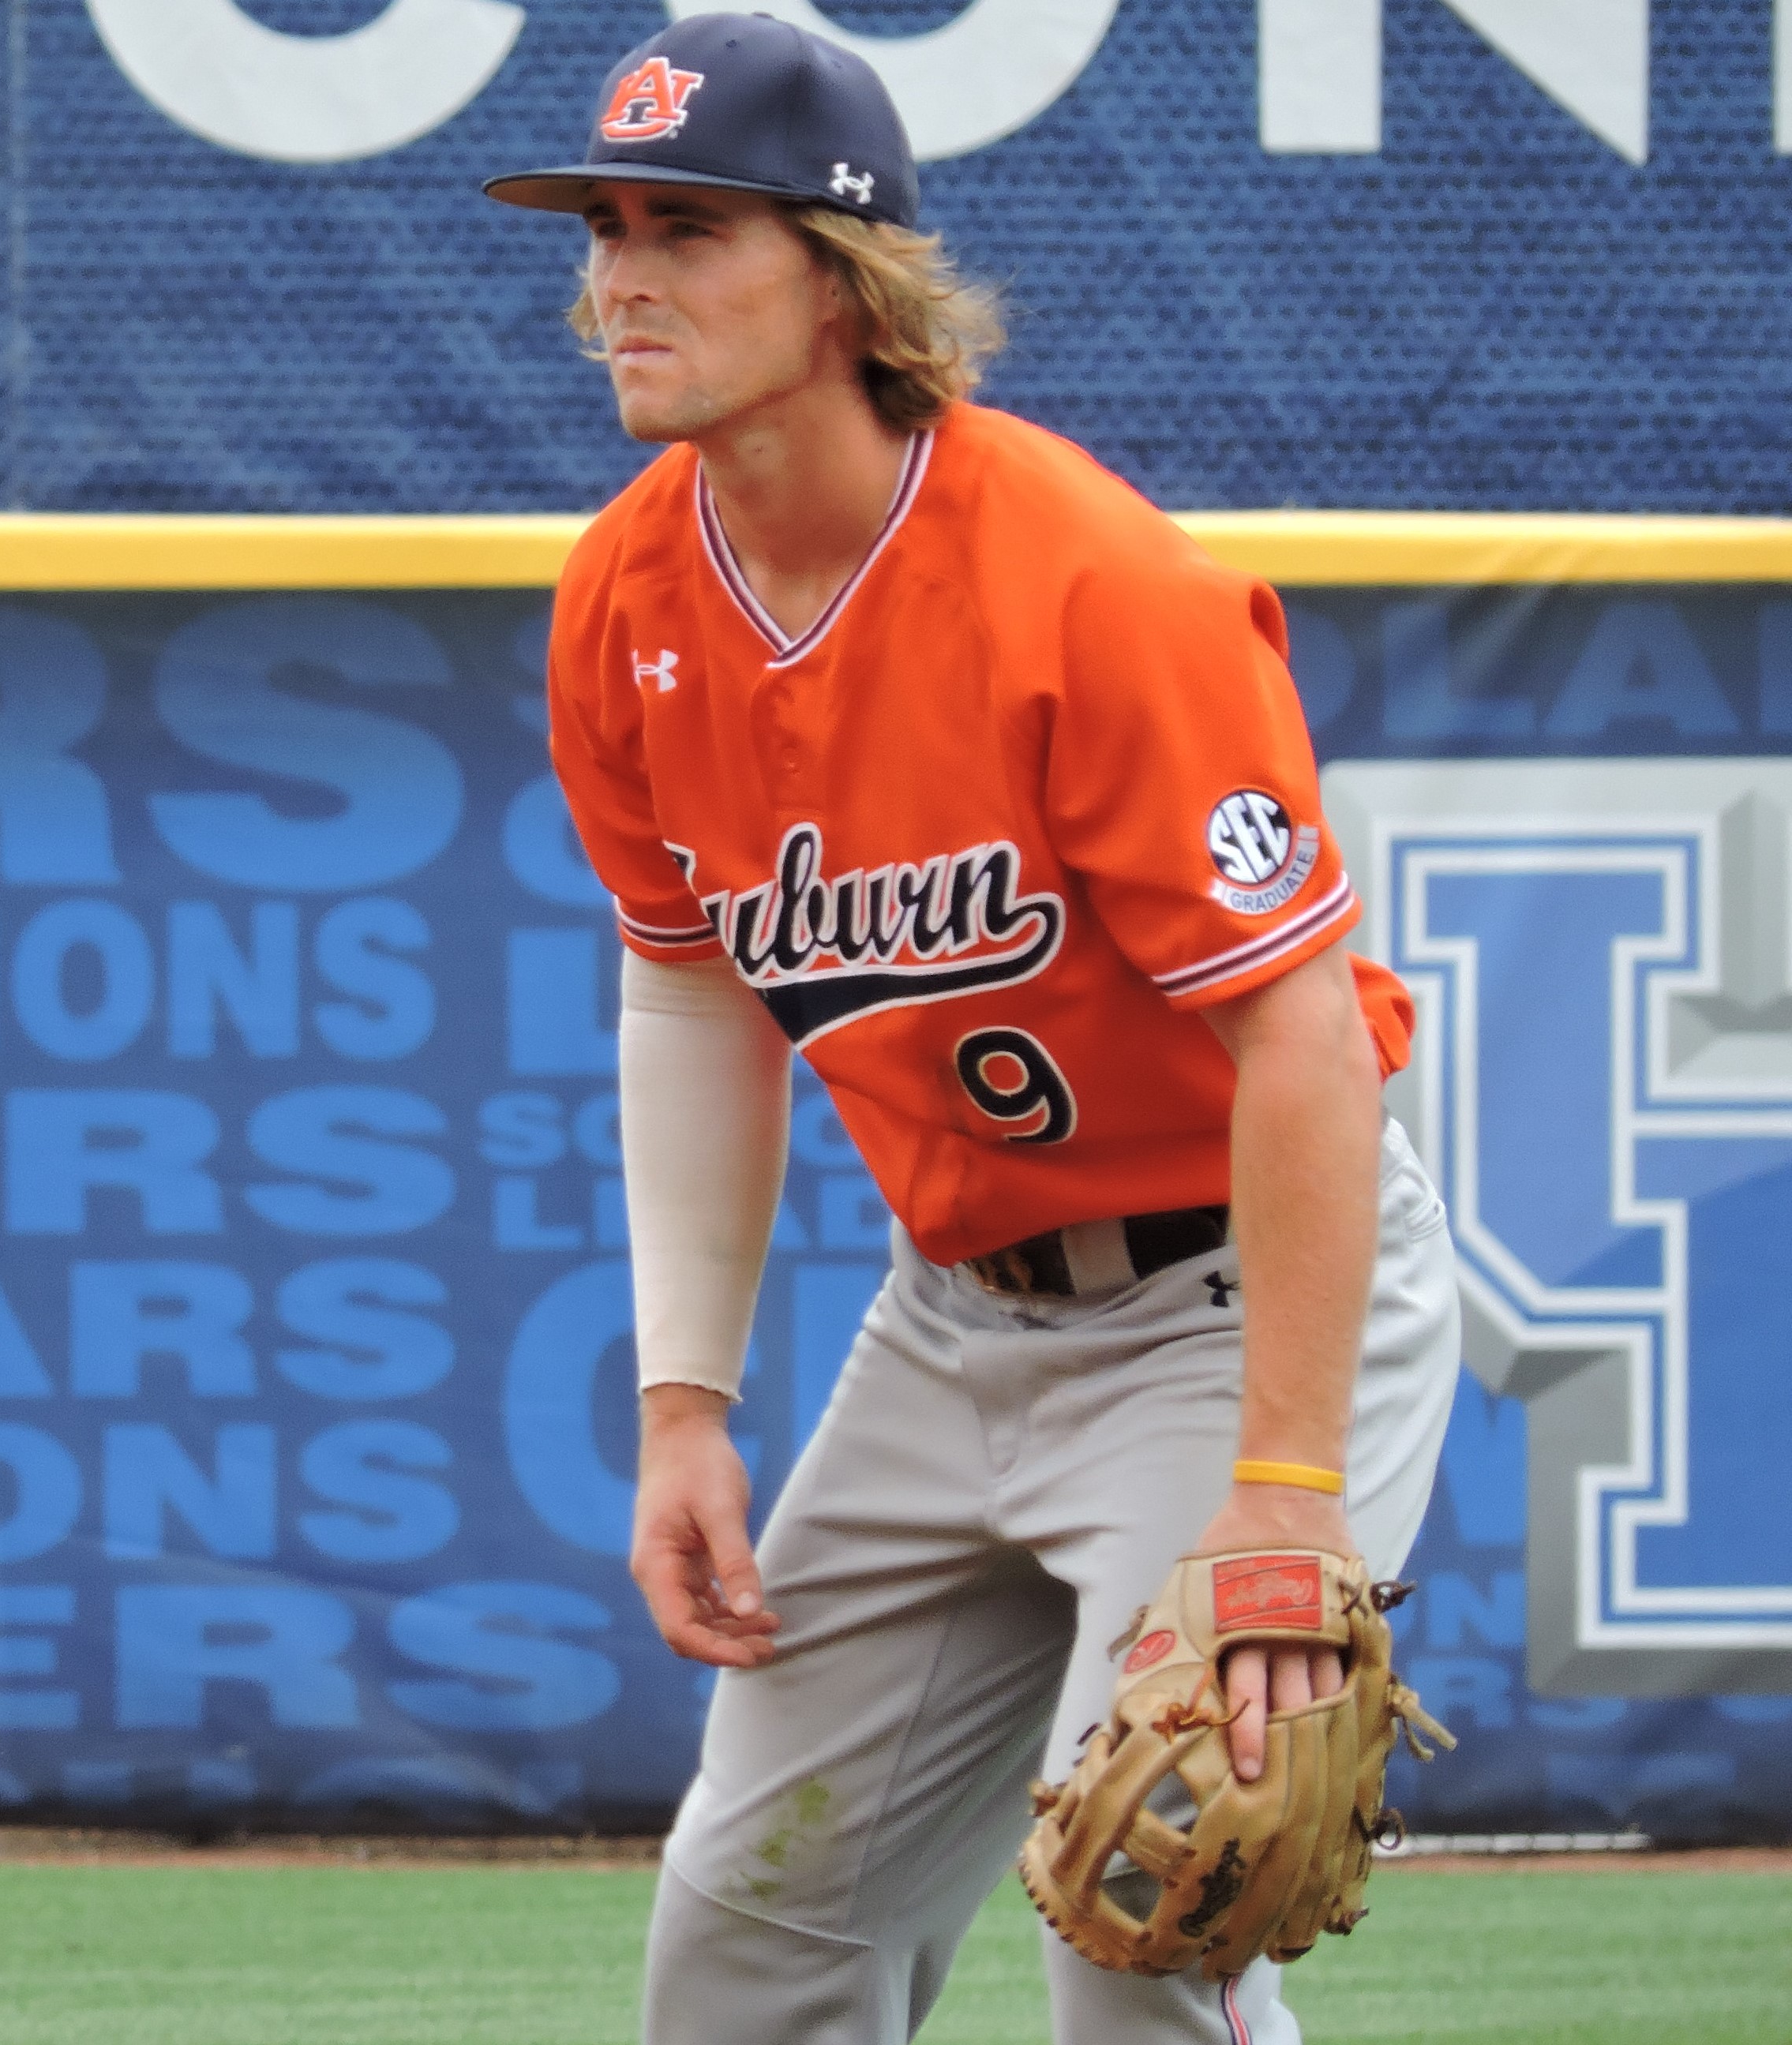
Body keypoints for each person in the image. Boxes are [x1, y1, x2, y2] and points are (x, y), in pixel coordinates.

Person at [483, 15, 1463, 2044]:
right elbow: (691, 982)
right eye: (605, 228)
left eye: (690, 229)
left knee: (1150, 1914)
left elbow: (1303, 1035)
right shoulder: (625, 599)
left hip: (1230, 1308)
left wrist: (1287, 1488)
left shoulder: (1087, 582)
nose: (622, 278)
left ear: (847, 284)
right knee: (750, 1938)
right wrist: (684, 1407)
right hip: (951, 1327)